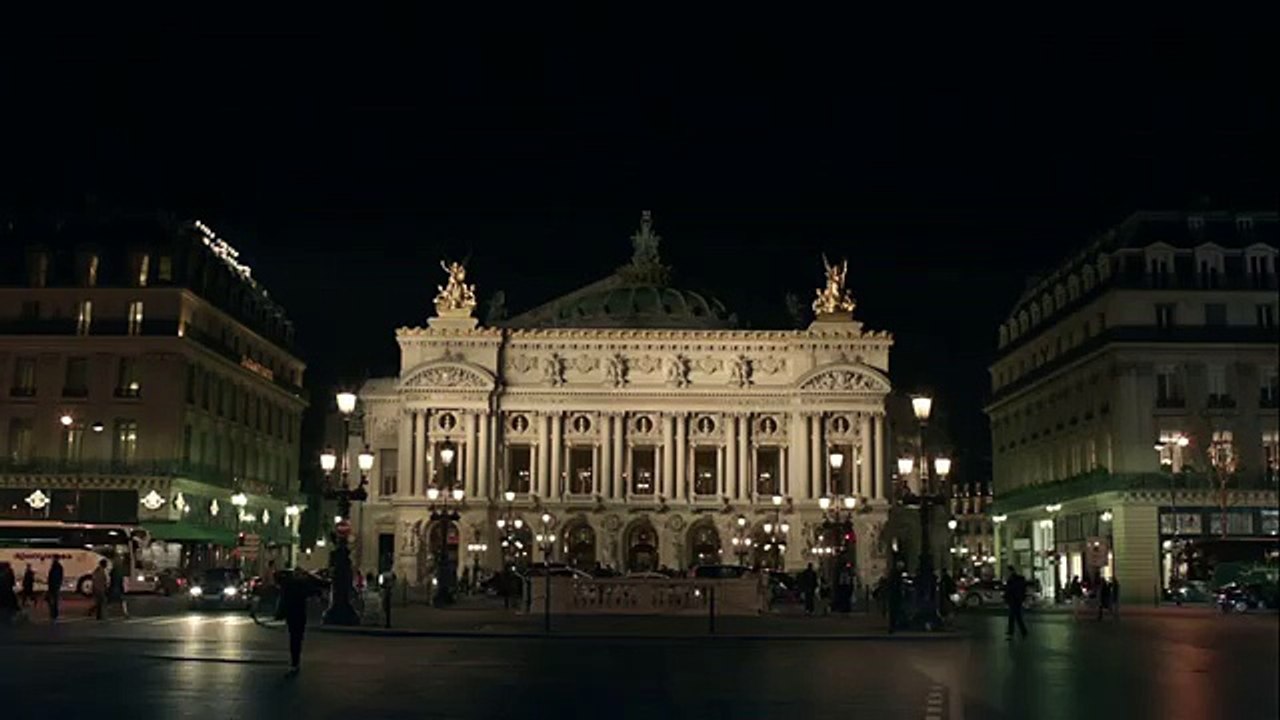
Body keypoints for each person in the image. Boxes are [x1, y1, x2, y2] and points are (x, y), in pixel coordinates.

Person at [279, 567, 319, 673]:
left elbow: (283, 598)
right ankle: (295, 661)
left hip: (291, 614)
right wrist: (309, 575)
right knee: (298, 638)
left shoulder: (288, 584)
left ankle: (294, 662)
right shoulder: (303, 584)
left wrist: (281, 612)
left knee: (293, 638)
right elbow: (315, 589)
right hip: (300, 614)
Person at [1003, 566, 1028, 639]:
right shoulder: (1017, 579)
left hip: (1014, 600)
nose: (1006, 573)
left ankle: (1011, 632)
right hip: (1016, 600)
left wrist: (1006, 598)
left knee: (1012, 616)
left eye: (1007, 571)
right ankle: (1023, 631)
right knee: (1017, 617)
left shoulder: (1012, 579)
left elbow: (1010, 590)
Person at [47, 558, 64, 623]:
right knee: (54, 600)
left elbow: (51, 577)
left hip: (53, 586)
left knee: (53, 600)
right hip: (55, 586)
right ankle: (54, 613)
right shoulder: (59, 567)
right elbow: (60, 577)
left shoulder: (54, 567)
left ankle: (53, 613)